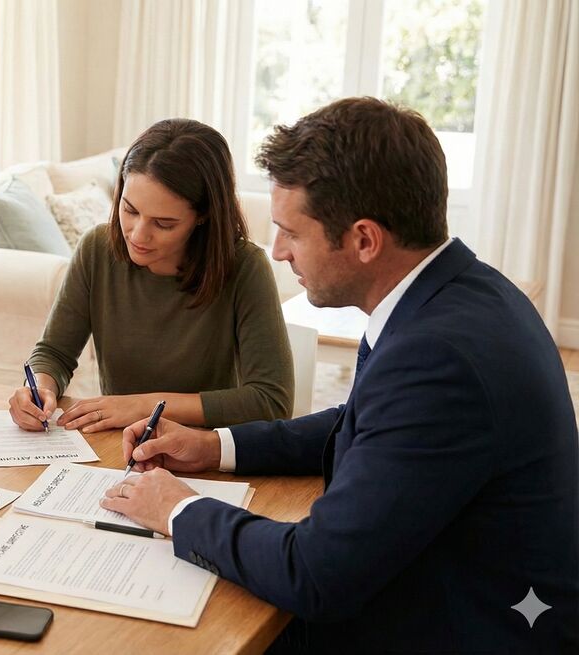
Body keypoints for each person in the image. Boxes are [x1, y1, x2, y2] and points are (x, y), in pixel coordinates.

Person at [100, 98, 578, 652]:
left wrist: (177, 510)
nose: (276, 252)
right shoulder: (461, 292)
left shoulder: (438, 358)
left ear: (365, 240)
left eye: (291, 233)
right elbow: (364, 423)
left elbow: (315, 575)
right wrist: (213, 447)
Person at [9, 119, 293, 434]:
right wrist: (40, 388)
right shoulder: (96, 249)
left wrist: (144, 406)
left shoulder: (245, 267)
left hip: (202, 449)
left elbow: (269, 401)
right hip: (119, 445)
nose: (138, 235)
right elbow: (54, 353)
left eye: (164, 223)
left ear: (203, 217)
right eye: (129, 210)